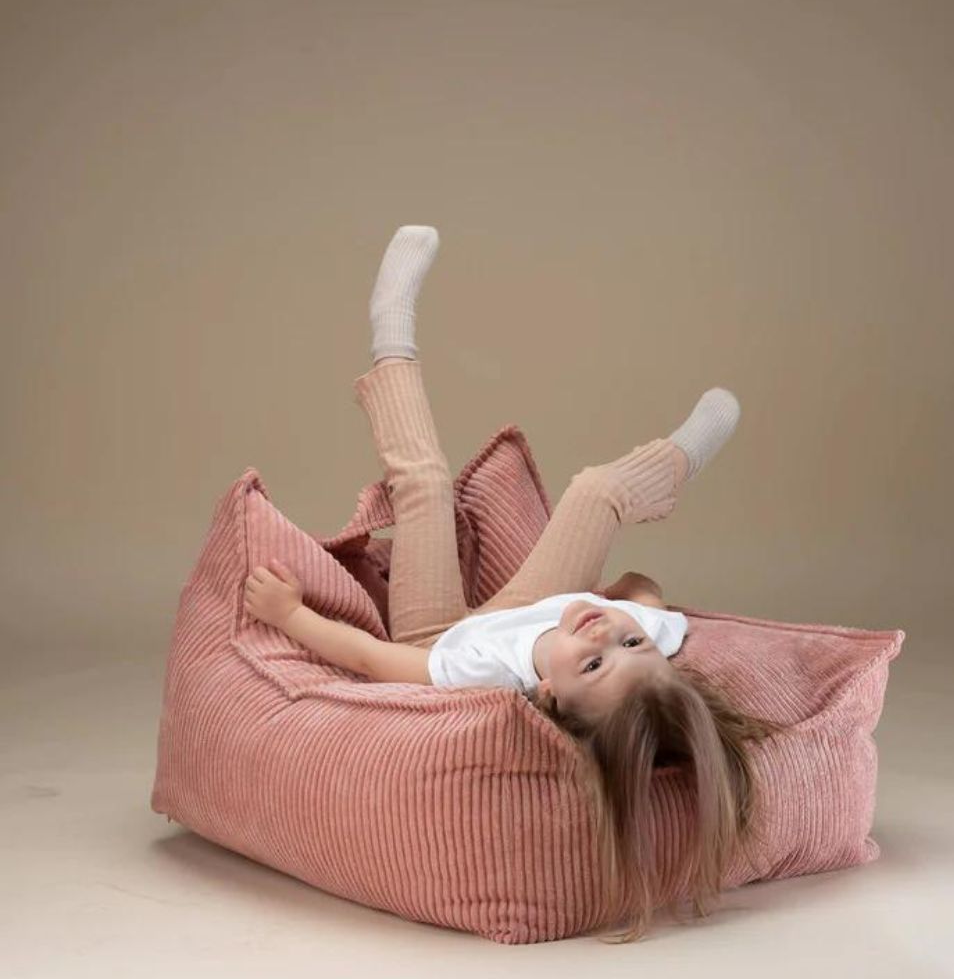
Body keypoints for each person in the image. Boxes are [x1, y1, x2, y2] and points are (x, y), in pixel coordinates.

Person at [243, 226, 785, 943]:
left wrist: (290, 615)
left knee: (426, 485)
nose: (608, 636)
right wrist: (627, 599)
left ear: (549, 695)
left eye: (595, 663)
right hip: (534, 611)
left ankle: (390, 330)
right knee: (594, 492)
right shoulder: (634, 636)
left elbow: (371, 660)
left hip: (438, 631)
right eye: (630, 644)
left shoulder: (484, 675)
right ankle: (676, 463)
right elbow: (644, 590)